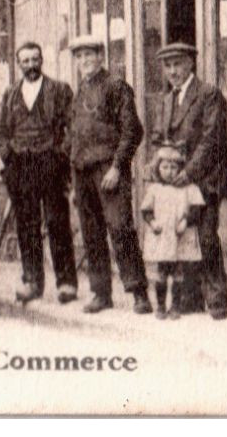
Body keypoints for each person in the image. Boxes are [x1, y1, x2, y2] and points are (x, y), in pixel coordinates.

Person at [66, 37, 152, 315]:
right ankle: (101, 293)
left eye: (89, 55)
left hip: (108, 170)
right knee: (92, 234)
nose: (85, 61)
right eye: (79, 57)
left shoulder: (116, 86)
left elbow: (132, 131)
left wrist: (117, 166)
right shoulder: (79, 91)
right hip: (83, 172)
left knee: (120, 228)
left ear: (101, 57)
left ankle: (139, 292)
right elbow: (74, 134)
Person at [153, 42, 227, 320]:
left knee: (207, 236)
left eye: (177, 64)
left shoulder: (208, 94)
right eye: (167, 65)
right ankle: (191, 298)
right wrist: (159, 165)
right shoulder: (166, 100)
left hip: (206, 177)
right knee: (183, 236)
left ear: (191, 63)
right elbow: (158, 137)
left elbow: (212, 140)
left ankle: (217, 301)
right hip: (176, 180)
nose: (172, 71)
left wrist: (188, 172)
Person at [0, 42, 78, 305]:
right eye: (25, 61)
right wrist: (9, 159)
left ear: (42, 60)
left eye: (35, 60)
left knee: (57, 222)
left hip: (50, 164)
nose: (30, 65)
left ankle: (66, 283)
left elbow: (72, 128)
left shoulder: (59, 90)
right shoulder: (10, 93)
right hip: (21, 167)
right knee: (26, 225)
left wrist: (60, 155)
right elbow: (2, 134)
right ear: (18, 64)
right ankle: (32, 281)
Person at [140, 144, 205, 320]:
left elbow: (197, 209)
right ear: (157, 168)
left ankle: (176, 306)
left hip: (180, 236)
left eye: (173, 167)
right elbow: (146, 210)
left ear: (180, 168)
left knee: (178, 273)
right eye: (165, 167)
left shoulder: (188, 188)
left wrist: (186, 220)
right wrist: (152, 222)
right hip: (163, 237)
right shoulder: (154, 189)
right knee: (161, 272)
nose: (169, 171)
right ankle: (160, 306)